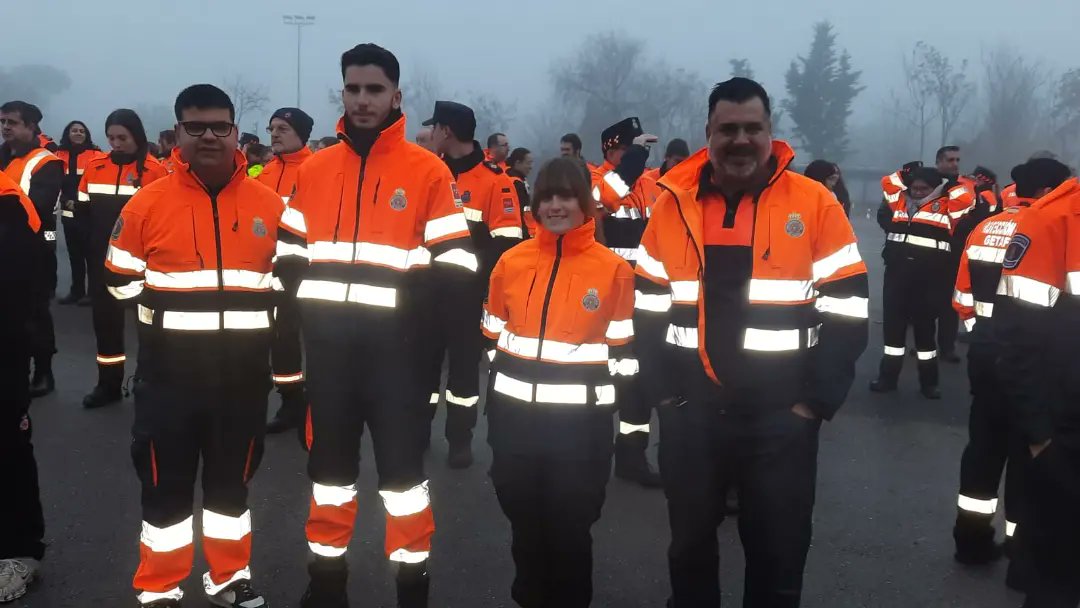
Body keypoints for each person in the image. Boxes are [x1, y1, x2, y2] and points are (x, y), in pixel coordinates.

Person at [634, 77, 869, 606]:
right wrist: (664, 396)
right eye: (728, 129)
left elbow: (849, 311)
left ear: (770, 132)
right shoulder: (671, 206)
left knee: (778, 553)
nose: (740, 140)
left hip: (781, 420)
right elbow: (644, 310)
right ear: (708, 133)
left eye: (752, 128)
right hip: (691, 413)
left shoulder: (814, 204)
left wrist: (812, 404)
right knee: (689, 550)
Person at [273, 43, 477, 608]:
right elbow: (288, 254)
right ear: (343, 93)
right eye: (354, 89)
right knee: (330, 479)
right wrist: (307, 313)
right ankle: (327, 586)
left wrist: (419, 332)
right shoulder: (314, 170)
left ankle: (412, 589)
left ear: (395, 96)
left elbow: (458, 267)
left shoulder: (427, 171)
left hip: (400, 364)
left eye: (375, 89)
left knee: (403, 485)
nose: (363, 100)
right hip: (331, 359)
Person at [106, 84, 282, 608]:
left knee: (232, 489)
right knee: (166, 488)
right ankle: (159, 587)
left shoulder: (271, 206)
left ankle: (227, 579)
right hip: (170, 380)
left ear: (235, 131)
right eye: (196, 126)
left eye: (219, 126)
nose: (209, 136)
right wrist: (167, 322)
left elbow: (290, 286)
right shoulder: (146, 203)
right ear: (177, 133)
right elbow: (119, 281)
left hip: (244, 380)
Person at [483, 157, 638, 607]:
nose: (555, 205)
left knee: (570, 533)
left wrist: (619, 421)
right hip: (514, 426)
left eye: (566, 195)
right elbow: (492, 333)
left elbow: (622, 356)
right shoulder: (511, 262)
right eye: (547, 196)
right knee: (525, 530)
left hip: (579, 432)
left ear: (585, 203)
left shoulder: (613, 271)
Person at [951, 159, 1072, 577]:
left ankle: (970, 542)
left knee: (982, 448)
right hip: (1030, 359)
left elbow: (962, 291)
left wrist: (976, 332)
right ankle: (1021, 558)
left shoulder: (985, 226)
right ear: (1049, 190)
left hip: (985, 352)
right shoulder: (1052, 227)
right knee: (1028, 457)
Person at [423, 100, 523, 468]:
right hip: (425, 294)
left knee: (464, 374)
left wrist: (483, 292)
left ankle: (459, 439)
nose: (431, 135)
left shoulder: (495, 182)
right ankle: (419, 431)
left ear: (446, 132)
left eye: (435, 129)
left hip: (466, 300)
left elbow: (508, 247)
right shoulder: (429, 174)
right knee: (422, 368)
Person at [996, 171, 1080, 608]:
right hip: (1066, 441)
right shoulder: (1052, 221)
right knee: (1057, 583)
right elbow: (1015, 339)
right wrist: (1040, 437)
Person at [78, 109, 168, 409]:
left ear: (137, 137)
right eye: (111, 138)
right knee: (105, 326)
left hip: (144, 267)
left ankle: (148, 383)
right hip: (102, 262)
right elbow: (81, 210)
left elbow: (164, 218)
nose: (116, 144)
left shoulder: (155, 171)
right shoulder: (95, 167)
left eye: (122, 138)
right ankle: (108, 384)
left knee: (149, 327)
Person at [591, 117, 663, 488]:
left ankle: (632, 457)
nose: (640, 155)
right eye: (632, 148)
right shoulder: (595, 179)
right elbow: (598, 204)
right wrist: (630, 165)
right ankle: (589, 452)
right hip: (605, 298)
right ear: (613, 149)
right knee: (600, 380)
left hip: (646, 299)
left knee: (638, 380)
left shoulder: (652, 183)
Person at [870, 166, 971, 398]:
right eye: (914, 187)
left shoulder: (947, 208)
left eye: (922, 188)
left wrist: (950, 182)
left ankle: (929, 383)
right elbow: (888, 181)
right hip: (896, 277)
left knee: (925, 336)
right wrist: (905, 172)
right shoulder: (900, 203)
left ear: (936, 188)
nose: (916, 192)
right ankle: (887, 378)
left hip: (928, 280)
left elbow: (965, 199)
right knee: (893, 335)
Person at [0, 170, 46, 603]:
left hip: (5, 347)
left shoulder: (9, 200)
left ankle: (18, 553)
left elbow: (20, 285)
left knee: (8, 448)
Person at [257, 106, 315, 434]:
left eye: (283, 128)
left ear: (301, 134)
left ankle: (320, 404)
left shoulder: (316, 169)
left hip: (309, 269)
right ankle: (292, 400)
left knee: (314, 339)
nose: (275, 134)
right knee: (280, 338)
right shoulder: (264, 172)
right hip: (270, 269)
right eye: (272, 128)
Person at [0, 101, 63, 399]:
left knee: (34, 313)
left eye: (12, 122)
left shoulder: (46, 162)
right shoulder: (1, 157)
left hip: (33, 250)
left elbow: (38, 208)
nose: (5, 127)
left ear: (31, 127)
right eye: (2, 121)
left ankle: (43, 371)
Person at [55, 120, 100, 306]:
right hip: (68, 213)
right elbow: (54, 183)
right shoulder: (58, 155)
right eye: (75, 130)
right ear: (68, 133)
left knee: (91, 255)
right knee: (75, 255)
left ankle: (93, 294)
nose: (79, 133)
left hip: (88, 213)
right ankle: (76, 291)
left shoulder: (97, 155)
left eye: (82, 130)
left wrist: (82, 203)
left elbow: (99, 185)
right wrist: (65, 201)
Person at [506, 147, 534, 237]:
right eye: (528, 163)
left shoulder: (515, 179)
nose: (531, 167)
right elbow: (520, 212)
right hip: (520, 232)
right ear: (518, 163)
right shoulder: (516, 183)